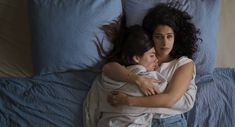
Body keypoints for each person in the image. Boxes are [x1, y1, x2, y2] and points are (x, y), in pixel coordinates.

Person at [102, 2, 200, 127]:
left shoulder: (184, 64)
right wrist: (139, 80)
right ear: (151, 36)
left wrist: (128, 100)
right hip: (139, 121)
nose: (165, 43)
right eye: (159, 37)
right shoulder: (142, 55)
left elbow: (170, 99)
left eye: (169, 37)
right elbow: (109, 68)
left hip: (170, 122)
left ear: (176, 37)